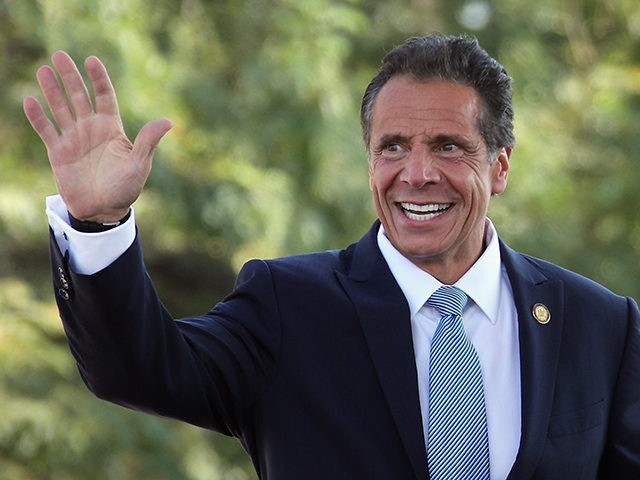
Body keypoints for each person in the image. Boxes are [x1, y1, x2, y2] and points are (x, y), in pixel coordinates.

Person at [23, 34, 639, 479]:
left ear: (500, 165)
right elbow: (139, 370)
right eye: (392, 147)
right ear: (370, 160)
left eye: (449, 147)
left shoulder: (601, 326)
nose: (417, 174)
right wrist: (98, 222)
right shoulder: (287, 305)